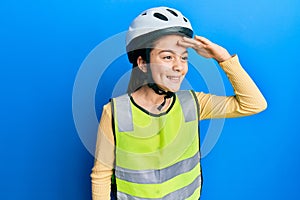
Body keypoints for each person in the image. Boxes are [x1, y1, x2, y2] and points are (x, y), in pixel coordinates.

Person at [91, 6, 267, 200]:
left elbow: (253, 104)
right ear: (142, 63)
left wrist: (223, 58)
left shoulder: (193, 103)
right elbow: (101, 176)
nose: (178, 67)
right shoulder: (116, 112)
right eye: (167, 57)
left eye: (183, 58)